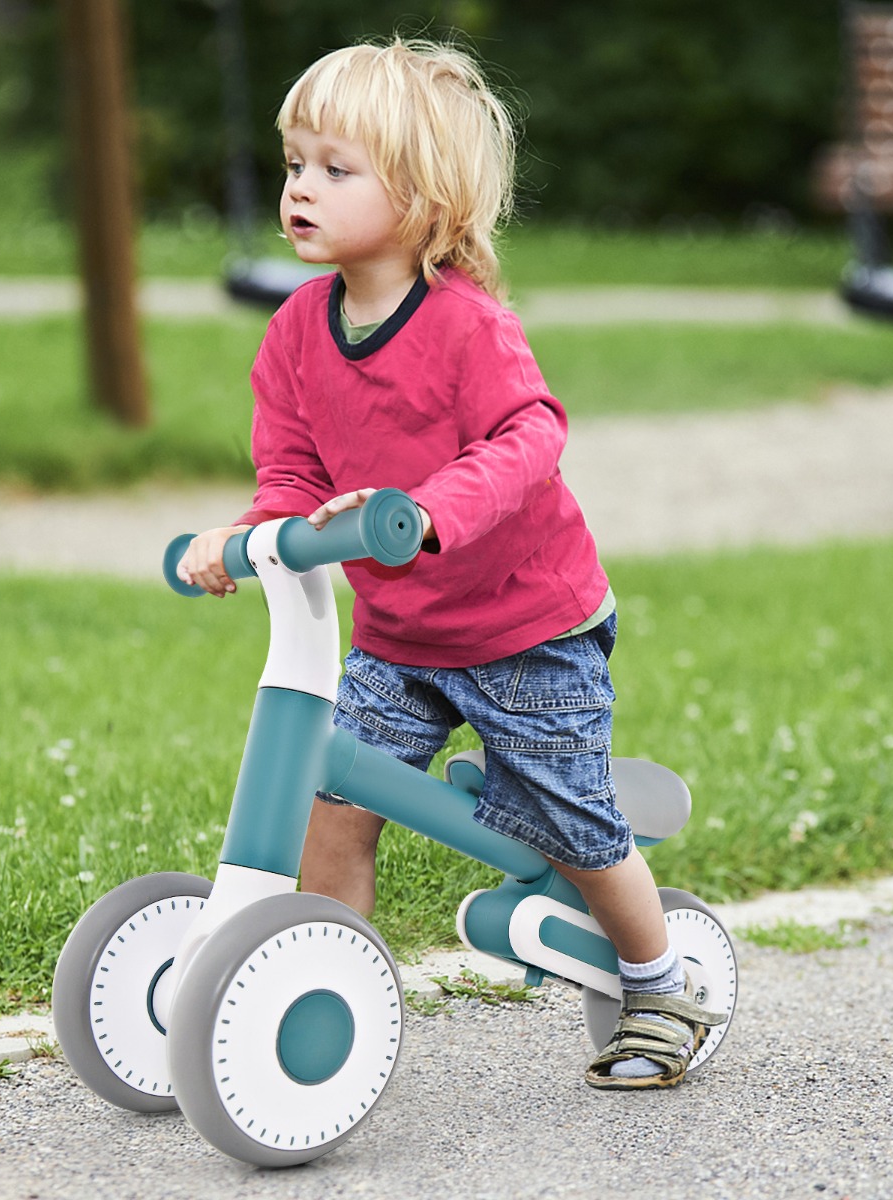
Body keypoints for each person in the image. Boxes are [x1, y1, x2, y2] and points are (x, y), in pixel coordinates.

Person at [177, 36, 723, 1091]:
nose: (301, 189)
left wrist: (428, 510)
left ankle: (658, 983)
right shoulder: (296, 332)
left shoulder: (469, 326)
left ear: (421, 196)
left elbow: (531, 436)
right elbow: (288, 469)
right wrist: (246, 537)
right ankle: (322, 982)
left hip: (528, 627)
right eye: (296, 163)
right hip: (400, 634)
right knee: (331, 802)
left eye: (337, 170)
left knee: (570, 821)